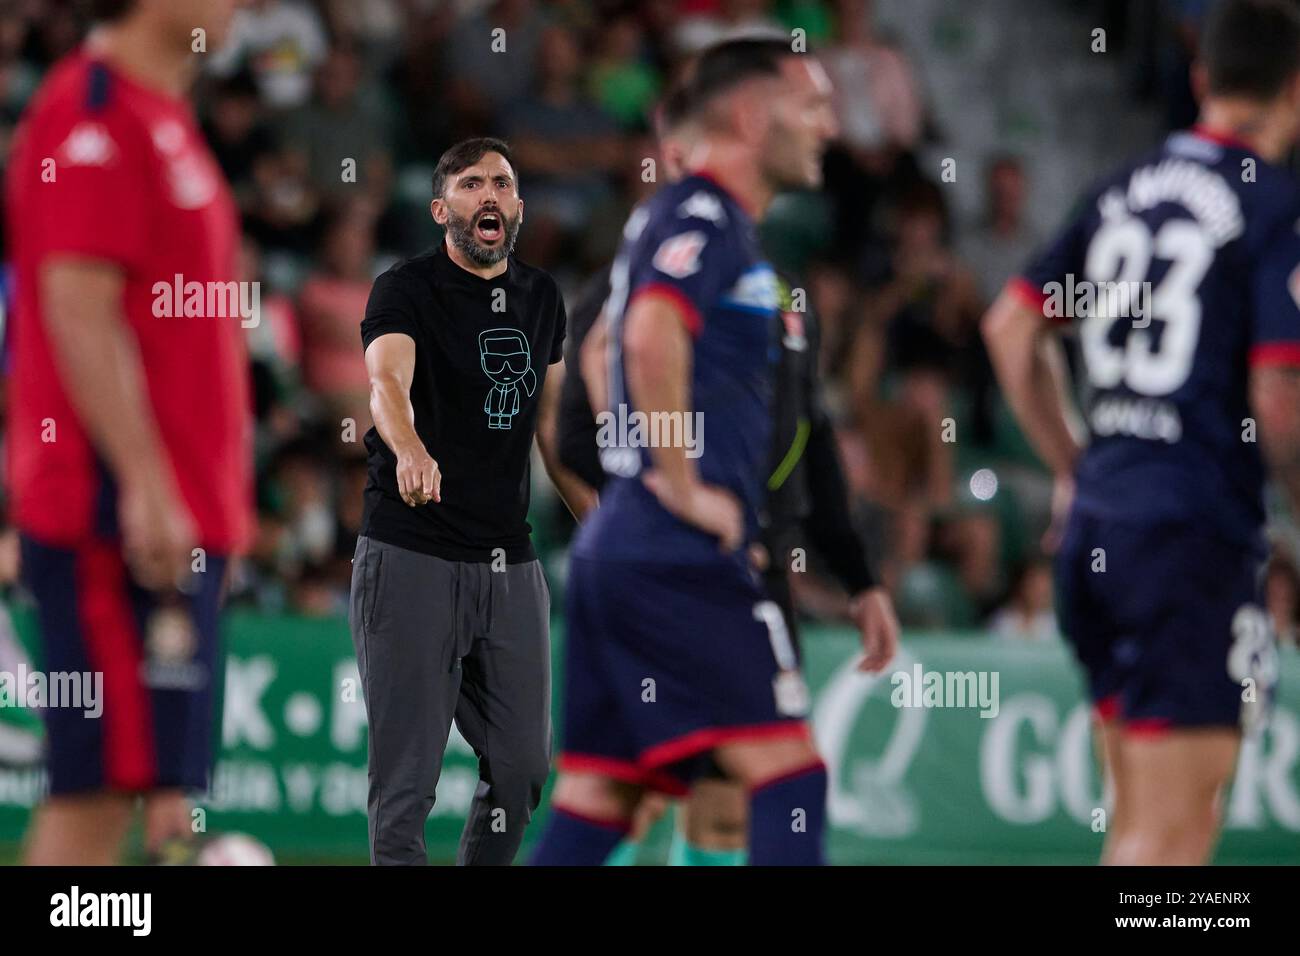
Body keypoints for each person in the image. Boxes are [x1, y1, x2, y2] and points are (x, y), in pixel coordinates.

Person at [982, 0, 1300, 866]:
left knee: (1135, 831)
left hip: (1102, 533)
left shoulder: (1123, 185)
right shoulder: (1274, 206)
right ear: (1294, 92)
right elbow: (1277, 393)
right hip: (1188, 537)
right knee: (1170, 844)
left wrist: (1075, 463)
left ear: (1201, 78)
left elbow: (1010, 328)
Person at [548, 83, 899, 866]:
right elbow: (588, 403)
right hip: (689, 552)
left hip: (722, 554)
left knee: (612, 799)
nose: (828, 124)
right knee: (777, 783)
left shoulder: (765, 283)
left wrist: (858, 576)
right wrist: (664, 489)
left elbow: (807, 442)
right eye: (809, 109)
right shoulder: (689, 236)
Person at [5, 0, 249, 864]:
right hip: (110, 514)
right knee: (93, 797)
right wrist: (147, 487)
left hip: (169, 517)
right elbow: (76, 306)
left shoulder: (164, 116)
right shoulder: (91, 113)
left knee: (143, 797)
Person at [351, 137, 576, 865]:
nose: (490, 194)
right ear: (442, 207)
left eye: (503, 184)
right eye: (473, 183)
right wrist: (411, 451)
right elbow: (387, 386)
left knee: (521, 770)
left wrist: (607, 527)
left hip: (510, 565)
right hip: (411, 550)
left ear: (517, 208)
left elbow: (554, 432)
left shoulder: (543, 298)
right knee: (405, 791)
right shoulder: (405, 288)